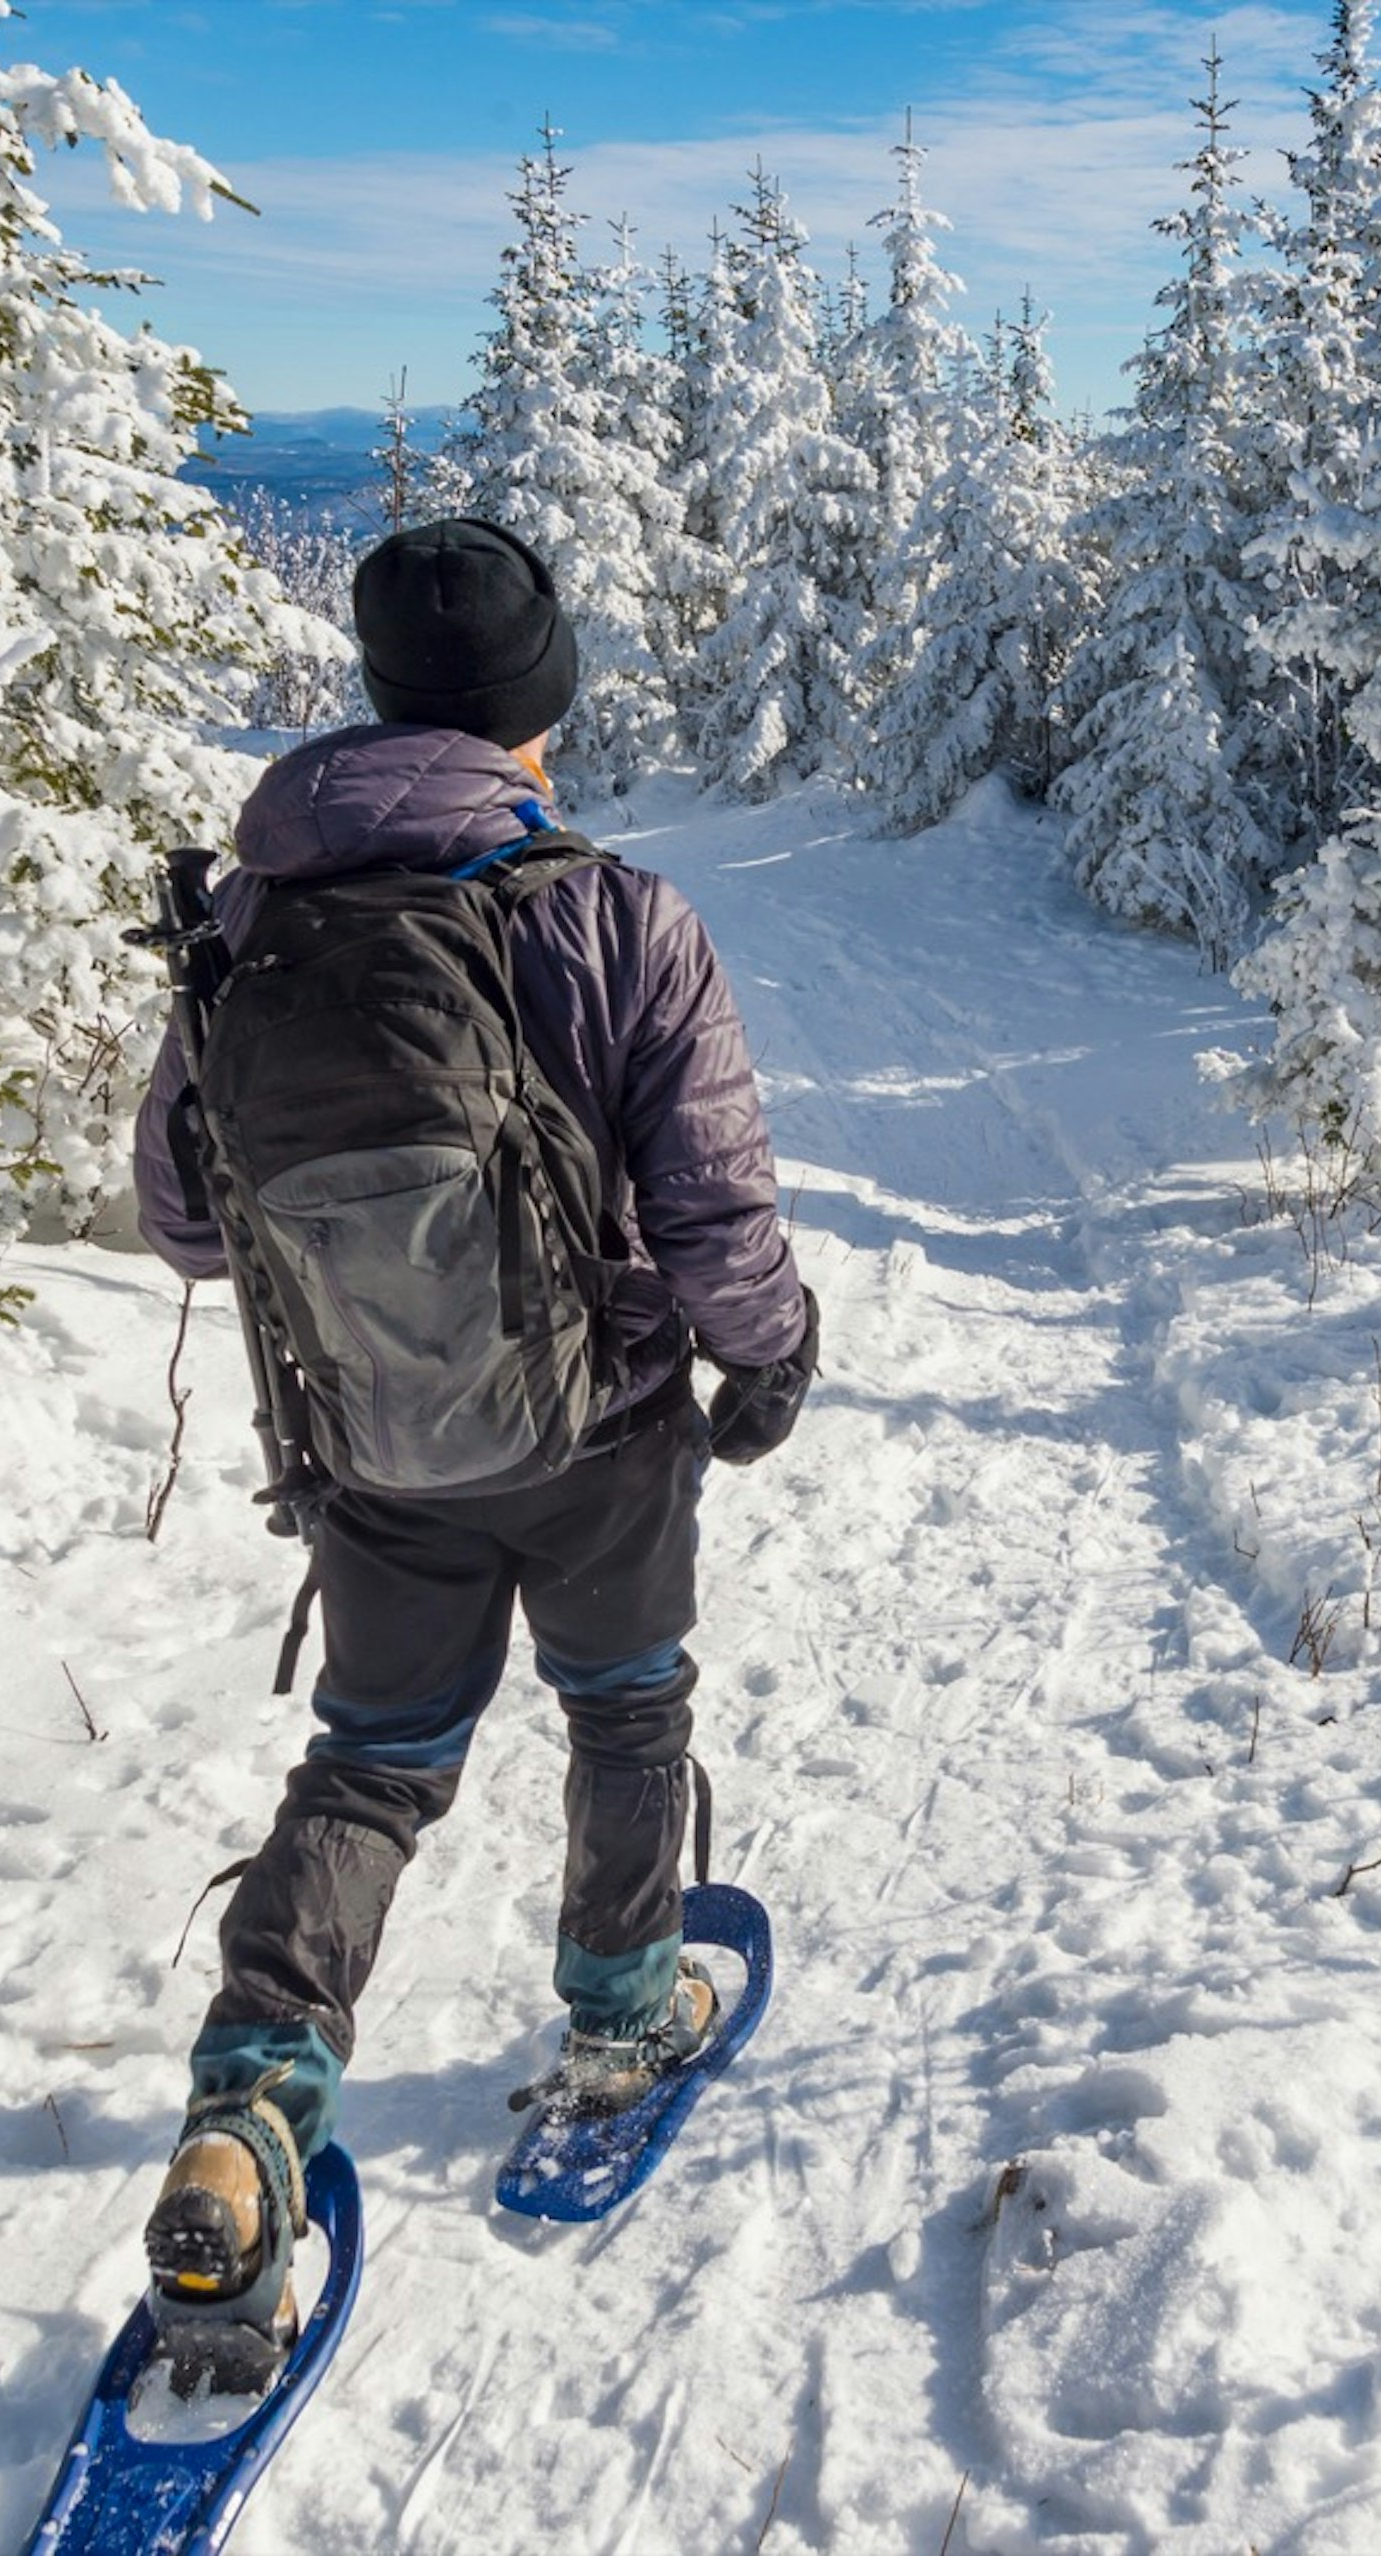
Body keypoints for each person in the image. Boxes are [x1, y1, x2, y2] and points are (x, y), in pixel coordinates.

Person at [125, 516, 816, 2382]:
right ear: (539, 700)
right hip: (598, 1436)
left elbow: (188, 1219)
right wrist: (775, 1358)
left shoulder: (253, 919)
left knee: (370, 1762)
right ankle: (614, 2015)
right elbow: (714, 1220)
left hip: (369, 1446)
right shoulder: (610, 915)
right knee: (624, 1706)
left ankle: (257, 2105)